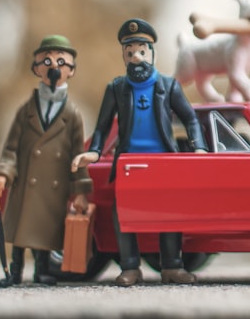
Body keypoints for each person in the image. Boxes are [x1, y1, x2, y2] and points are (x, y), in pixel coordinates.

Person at [71, 18, 207, 287]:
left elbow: (191, 119)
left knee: (169, 213)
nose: (136, 58)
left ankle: (171, 267)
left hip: (163, 162)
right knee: (124, 214)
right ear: (123, 54)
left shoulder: (169, 87)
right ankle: (130, 267)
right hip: (129, 163)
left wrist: (199, 147)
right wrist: (96, 152)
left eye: (141, 51)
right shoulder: (117, 88)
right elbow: (102, 126)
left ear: (151, 53)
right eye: (130, 52)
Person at [0, 35, 92, 287]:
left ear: (71, 70)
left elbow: (78, 157)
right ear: (36, 68)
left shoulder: (73, 115)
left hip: (52, 186)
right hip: (26, 182)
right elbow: (11, 148)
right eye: (46, 61)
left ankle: (42, 270)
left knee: (45, 230)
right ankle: (15, 271)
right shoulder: (26, 110)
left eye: (60, 61)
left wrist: (80, 191)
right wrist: (2, 174)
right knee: (22, 231)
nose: (53, 67)